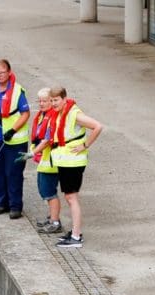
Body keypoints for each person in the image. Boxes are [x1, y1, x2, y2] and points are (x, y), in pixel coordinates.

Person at [48, 87, 103, 248]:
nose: (53, 103)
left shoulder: (74, 114)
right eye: (52, 100)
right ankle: (75, 232)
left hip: (73, 162)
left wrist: (85, 145)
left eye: (56, 100)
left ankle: (76, 237)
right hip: (66, 162)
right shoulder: (60, 112)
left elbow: (97, 126)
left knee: (72, 198)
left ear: (64, 99)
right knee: (69, 197)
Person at [0, 59, 30, 220]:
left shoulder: (18, 91)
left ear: (9, 73)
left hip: (15, 141)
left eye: (2, 72)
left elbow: (25, 113)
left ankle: (15, 206)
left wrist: (13, 130)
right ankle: (1, 203)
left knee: (14, 173)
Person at [29, 88, 62, 234]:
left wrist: (32, 153)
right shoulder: (42, 116)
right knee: (44, 191)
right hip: (44, 162)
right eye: (39, 101)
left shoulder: (53, 118)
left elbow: (47, 140)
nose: (41, 104)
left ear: (51, 101)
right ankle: (51, 218)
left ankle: (55, 222)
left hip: (50, 163)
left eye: (45, 101)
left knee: (49, 192)